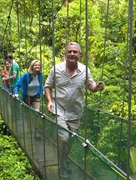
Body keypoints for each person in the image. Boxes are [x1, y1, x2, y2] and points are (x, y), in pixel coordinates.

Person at [44, 42, 104, 178]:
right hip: (59, 109)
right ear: (66, 53)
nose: (72, 54)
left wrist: (98, 87)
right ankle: (62, 165)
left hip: (75, 112)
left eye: (75, 52)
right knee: (64, 139)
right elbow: (47, 86)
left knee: (70, 140)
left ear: (80, 54)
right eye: (69, 51)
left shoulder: (85, 70)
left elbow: (91, 87)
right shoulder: (56, 69)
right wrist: (49, 101)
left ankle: (64, 159)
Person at [13, 60, 44, 139]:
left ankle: (35, 132)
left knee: (37, 113)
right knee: (28, 116)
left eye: (38, 65)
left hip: (35, 97)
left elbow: (40, 85)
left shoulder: (40, 75)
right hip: (26, 97)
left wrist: (43, 90)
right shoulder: (25, 76)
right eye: (35, 65)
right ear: (32, 66)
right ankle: (30, 128)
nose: (37, 66)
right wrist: (16, 93)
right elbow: (17, 85)